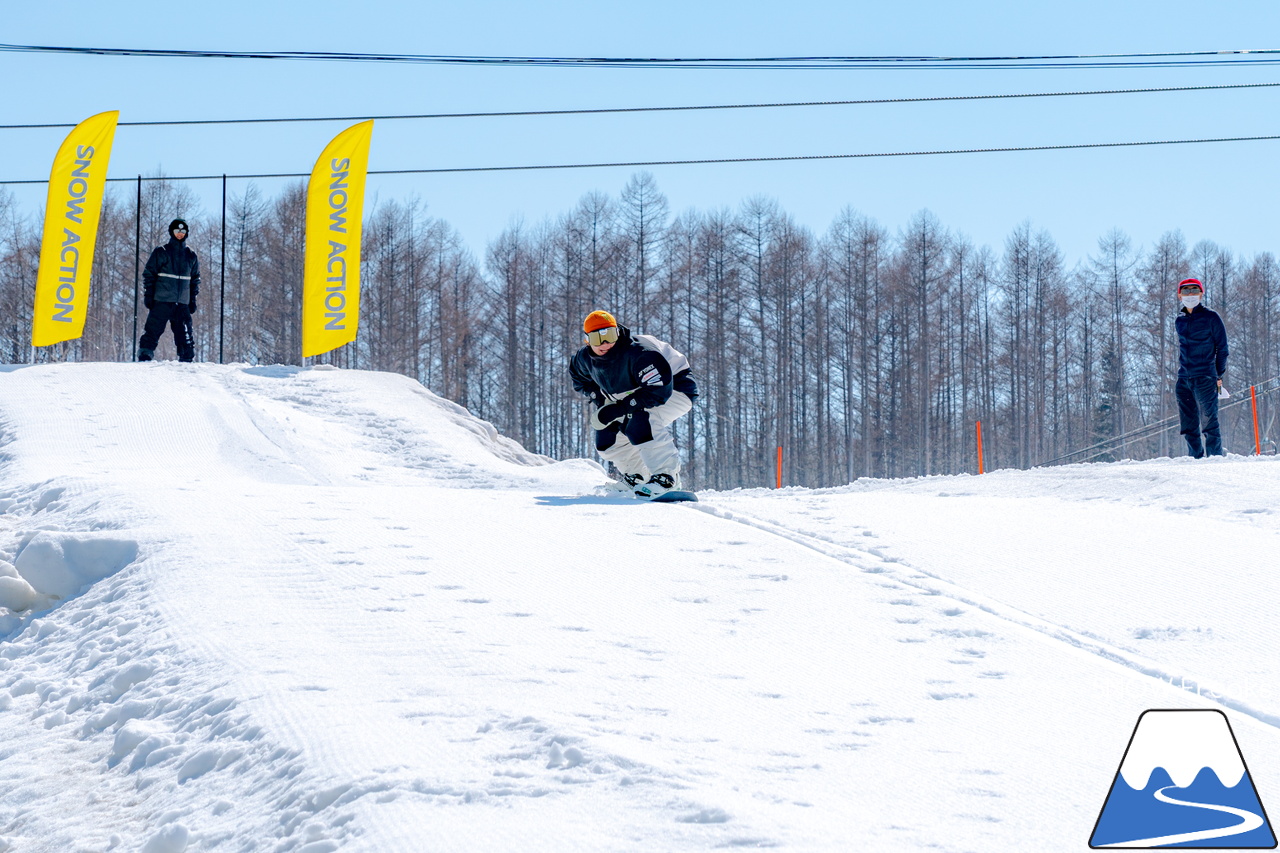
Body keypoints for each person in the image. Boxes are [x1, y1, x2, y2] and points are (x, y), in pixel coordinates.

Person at [569, 310, 698, 498]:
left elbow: (658, 391)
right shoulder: (584, 359)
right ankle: (637, 477)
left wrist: (620, 408)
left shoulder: (639, 353)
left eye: (609, 335)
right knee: (607, 436)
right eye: (597, 338)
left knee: (640, 418)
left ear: (617, 332)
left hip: (675, 389)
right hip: (636, 393)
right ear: (587, 340)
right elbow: (579, 378)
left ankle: (667, 478)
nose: (605, 343)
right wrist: (600, 398)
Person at [1174, 277, 1229, 458]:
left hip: (1205, 377)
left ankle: (1214, 459)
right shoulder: (1179, 320)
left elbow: (1222, 348)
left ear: (1201, 293)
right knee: (1188, 425)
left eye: (1194, 291)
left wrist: (1218, 374)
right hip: (1184, 379)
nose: (1190, 294)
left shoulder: (1211, 317)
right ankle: (1195, 459)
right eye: (1186, 291)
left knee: (1209, 423)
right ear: (1179, 295)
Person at [138, 218, 200, 362]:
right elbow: (149, 274)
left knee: (185, 332)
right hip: (162, 300)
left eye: (183, 231)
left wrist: (192, 299)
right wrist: (149, 295)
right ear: (171, 232)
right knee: (153, 329)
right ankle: (145, 353)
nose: (180, 234)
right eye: (177, 231)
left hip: (182, 303)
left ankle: (186, 357)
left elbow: (195, 279)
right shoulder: (162, 252)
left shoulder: (191, 255)